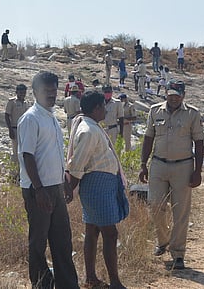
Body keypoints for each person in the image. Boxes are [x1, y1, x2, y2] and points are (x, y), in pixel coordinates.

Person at [17, 71, 79, 288]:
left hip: (55, 187)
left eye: (54, 90)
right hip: (38, 190)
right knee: (38, 243)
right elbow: (28, 155)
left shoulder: (51, 116)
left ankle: (68, 284)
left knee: (62, 241)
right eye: (47, 90)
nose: (52, 94)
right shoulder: (30, 118)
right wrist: (39, 188)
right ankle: (42, 284)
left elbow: (53, 153)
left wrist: (64, 180)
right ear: (35, 92)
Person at [65, 90, 129, 289]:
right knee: (110, 234)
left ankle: (91, 278)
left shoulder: (92, 127)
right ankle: (114, 281)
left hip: (101, 185)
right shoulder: (88, 131)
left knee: (92, 231)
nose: (106, 110)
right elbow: (77, 164)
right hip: (96, 186)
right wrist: (69, 190)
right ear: (97, 108)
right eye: (103, 106)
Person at [138, 80, 204, 270]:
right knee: (155, 206)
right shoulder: (155, 111)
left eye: (177, 94)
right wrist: (143, 164)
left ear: (183, 95)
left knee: (181, 211)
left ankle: (178, 253)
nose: (173, 98)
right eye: (171, 94)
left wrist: (197, 171)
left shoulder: (192, 113)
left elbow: (199, 142)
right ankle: (163, 240)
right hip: (158, 164)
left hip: (183, 166)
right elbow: (148, 138)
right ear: (166, 93)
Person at [5, 84, 31, 166]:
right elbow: (7, 115)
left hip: (24, 130)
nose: (22, 94)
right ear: (16, 92)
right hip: (15, 129)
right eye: (20, 93)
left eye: (24, 93)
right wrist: (10, 130)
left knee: (24, 151)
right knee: (16, 151)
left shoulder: (27, 103)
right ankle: (14, 172)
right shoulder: (12, 102)